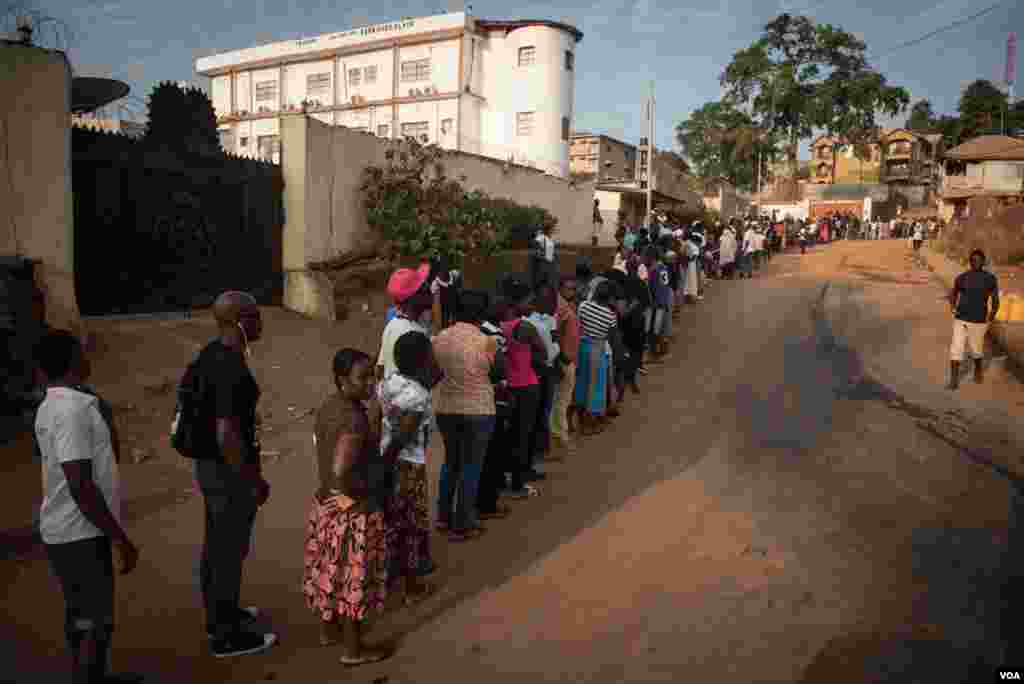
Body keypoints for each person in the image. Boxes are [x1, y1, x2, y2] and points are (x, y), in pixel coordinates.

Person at [34, 330, 145, 684]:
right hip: (80, 531)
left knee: (83, 617)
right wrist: (120, 538)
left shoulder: (63, 404)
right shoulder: (71, 411)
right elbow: (80, 484)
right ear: (72, 360)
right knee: (94, 621)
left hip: (72, 528)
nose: (88, 356)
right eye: (81, 352)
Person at [193, 291, 276, 658]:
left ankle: (221, 613)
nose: (260, 322)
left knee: (217, 546)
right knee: (227, 550)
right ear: (241, 322)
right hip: (228, 473)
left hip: (212, 469)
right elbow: (227, 433)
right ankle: (225, 635)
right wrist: (250, 480)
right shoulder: (229, 367)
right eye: (255, 317)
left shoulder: (211, 355)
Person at [304, 348, 391, 667]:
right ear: (343, 380)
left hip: (325, 504)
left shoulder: (330, 406)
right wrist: (354, 501)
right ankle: (353, 650)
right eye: (362, 378)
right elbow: (342, 470)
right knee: (353, 581)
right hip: (351, 511)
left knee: (331, 572)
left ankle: (329, 631)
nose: (370, 383)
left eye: (372, 376)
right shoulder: (354, 419)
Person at [431, 291, 498, 541]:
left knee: (451, 462)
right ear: (481, 314)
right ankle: (463, 523)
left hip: (446, 408)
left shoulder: (439, 338)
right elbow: (498, 372)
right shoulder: (487, 341)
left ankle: (443, 517)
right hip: (478, 409)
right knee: (471, 466)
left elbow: (434, 371)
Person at [379, 331, 437, 600]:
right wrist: (387, 464)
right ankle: (413, 586)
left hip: (386, 458)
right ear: (423, 360)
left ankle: (389, 575)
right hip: (407, 466)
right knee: (411, 524)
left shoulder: (387, 383)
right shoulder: (418, 396)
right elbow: (403, 435)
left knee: (392, 521)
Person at [499, 276, 548, 497]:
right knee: (523, 434)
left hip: (508, 386)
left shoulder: (498, 326)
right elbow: (543, 353)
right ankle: (519, 482)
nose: (531, 306)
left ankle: (506, 477)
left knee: (508, 434)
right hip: (527, 385)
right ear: (516, 303)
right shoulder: (526, 327)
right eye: (528, 301)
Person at [947, 249, 1000, 390]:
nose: (976, 262)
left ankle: (978, 369)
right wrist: (953, 307)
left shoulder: (990, 279)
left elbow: (995, 299)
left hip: (979, 320)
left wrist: (992, 315)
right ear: (970, 262)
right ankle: (953, 380)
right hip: (961, 319)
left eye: (979, 260)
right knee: (956, 348)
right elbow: (953, 293)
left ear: (984, 262)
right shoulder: (962, 278)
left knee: (976, 350)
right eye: (973, 260)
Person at [377, 264, 434, 381]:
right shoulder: (411, 335)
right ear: (413, 299)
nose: (428, 289)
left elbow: (380, 367)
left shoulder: (392, 325)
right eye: (423, 288)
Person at [575, 281, 617, 435]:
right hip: (598, 349)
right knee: (596, 386)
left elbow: (579, 325)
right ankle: (590, 423)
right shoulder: (610, 315)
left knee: (582, 382)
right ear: (609, 297)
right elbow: (611, 337)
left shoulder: (583, 306)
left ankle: (580, 419)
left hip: (582, 347)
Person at [550, 276, 579, 454]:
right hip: (564, 360)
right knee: (561, 401)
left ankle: (559, 436)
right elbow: (554, 334)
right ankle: (560, 438)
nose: (572, 292)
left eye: (573, 289)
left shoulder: (567, 306)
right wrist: (562, 357)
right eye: (568, 288)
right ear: (560, 289)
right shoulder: (560, 308)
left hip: (567, 358)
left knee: (562, 401)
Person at [531, 225, 558, 290]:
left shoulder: (551, 239)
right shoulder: (541, 238)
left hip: (550, 263)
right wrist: (541, 254)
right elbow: (535, 246)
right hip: (543, 262)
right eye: (551, 230)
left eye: (552, 230)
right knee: (540, 281)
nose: (552, 231)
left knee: (550, 282)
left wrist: (553, 257)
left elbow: (552, 249)